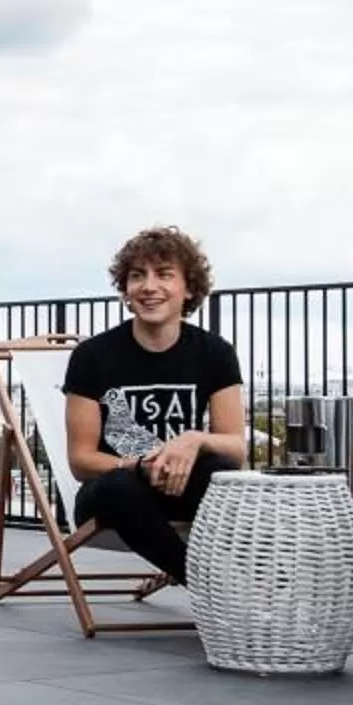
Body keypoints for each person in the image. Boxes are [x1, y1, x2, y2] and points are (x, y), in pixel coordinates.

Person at [59, 228, 249, 578]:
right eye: (137, 276)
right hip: (112, 493)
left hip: (179, 488)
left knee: (222, 473)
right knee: (118, 487)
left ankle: (267, 584)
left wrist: (194, 439)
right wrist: (141, 465)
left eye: (164, 274)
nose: (148, 287)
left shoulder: (214, 353)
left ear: (189, 288)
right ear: (126, 290)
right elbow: (81, 461)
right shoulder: (93, 357)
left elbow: (236, 447)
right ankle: (207, 584)